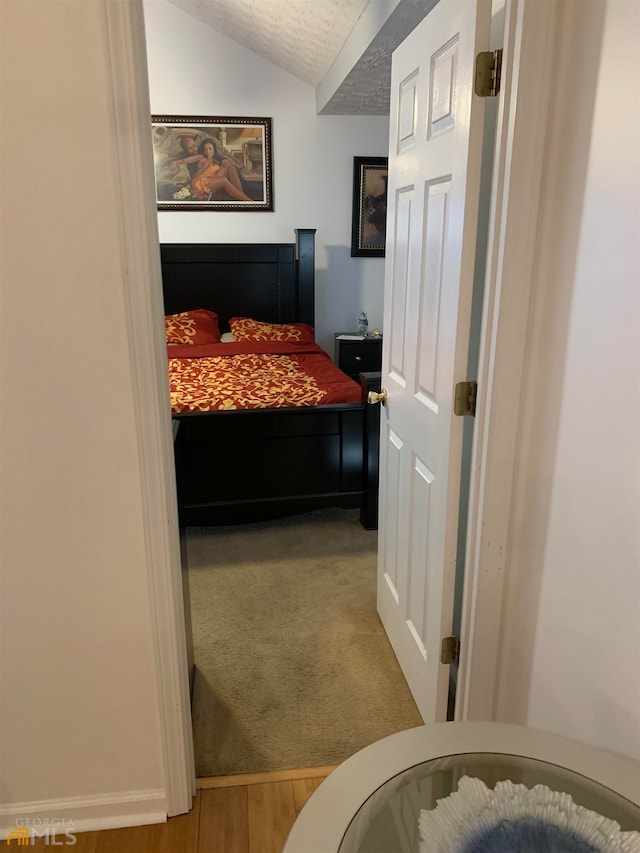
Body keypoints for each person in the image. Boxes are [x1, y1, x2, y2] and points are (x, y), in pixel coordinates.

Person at [170, 138, 252, 202]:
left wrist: (225, 161)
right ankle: (248, 201)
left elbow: (222, 163)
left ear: (214, 150)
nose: (208, 151)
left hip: (211, 179)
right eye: (205, 149)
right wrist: (175, 162)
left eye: (210, 149)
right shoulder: (201, 157)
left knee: (230, 167)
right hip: (202, 183)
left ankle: (242, 197)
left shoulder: (216, 159)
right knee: (223, 180)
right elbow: (185, 160)